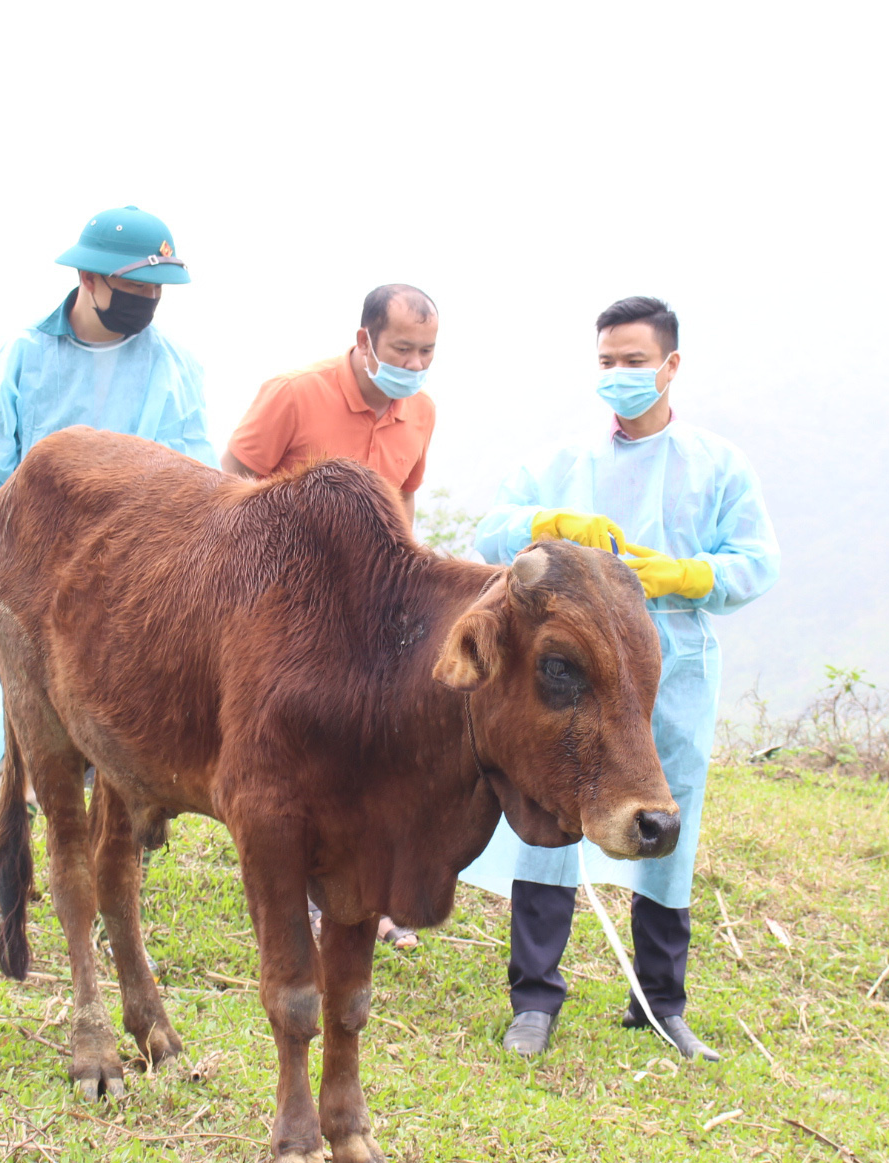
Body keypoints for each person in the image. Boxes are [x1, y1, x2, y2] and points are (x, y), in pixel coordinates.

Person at [460, 295, 780, 1058]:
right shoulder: (566, 464)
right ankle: (534, 1000)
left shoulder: (718, 464)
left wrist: (689, 574)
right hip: (571, 675)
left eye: (635, 362)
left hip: (673, 664)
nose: (620, 376)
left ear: (671, 366)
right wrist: (553, 524)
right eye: (608, 362)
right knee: (551, 812)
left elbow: (758, 561)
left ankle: (659, 1002)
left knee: (670, 820)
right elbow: (494, 525)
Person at [0, 205, 213, 963]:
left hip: (128, 590)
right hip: (28, 577)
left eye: (158, 289)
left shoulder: (173, 370)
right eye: (134, 285)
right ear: (88, 278)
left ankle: (103, 913)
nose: (146, 302)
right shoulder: (21, 358)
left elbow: (195, 479)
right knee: (26, 743)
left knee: (121, 752)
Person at [223, 283, 440, 949]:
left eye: (428, 352)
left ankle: (368, 897)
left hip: (369, 615)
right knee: (302, 762)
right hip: (285, 609)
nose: (414, 364)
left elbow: (403, 500)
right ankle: (308, 898)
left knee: (372, 750)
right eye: (402, 348)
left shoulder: (421, 411)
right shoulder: (293, 394)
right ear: (364, 342)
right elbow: (231, 480)